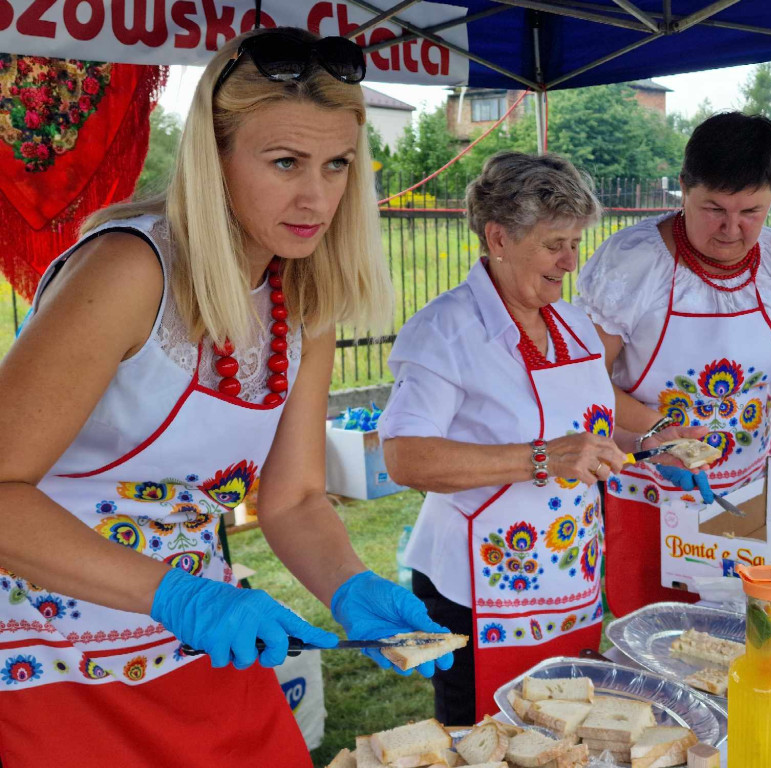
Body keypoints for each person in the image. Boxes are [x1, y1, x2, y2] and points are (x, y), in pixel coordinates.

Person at [0, 28, 450, 767]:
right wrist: (184, 597)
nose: (318, 196)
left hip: (203, 653)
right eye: (284, 163)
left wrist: (349, 584)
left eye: (338, 165)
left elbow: (296, 498)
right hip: (52, 665)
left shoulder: (304, 296)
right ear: (214, 159)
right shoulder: (128, 270)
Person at [379, 152, 696, 725]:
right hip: (477, 592)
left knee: (564, 733)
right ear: (498, 237)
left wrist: (653, 439)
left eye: (576, 243)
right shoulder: (446, 331)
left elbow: (593, 423)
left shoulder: (570, 323)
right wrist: (542, 459)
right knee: (489, 739)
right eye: (556, 245)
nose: (570, 263)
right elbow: (405, 456)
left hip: (568, 584)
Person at [576, 112, 771, 618]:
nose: (731, 229)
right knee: (658, 646)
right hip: (649, 495)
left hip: (749, 496)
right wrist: (662, 434)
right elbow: (580, 384)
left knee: (744, 638)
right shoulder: (633, 263)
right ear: (683, 189)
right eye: (714, 209)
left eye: (751, 211)